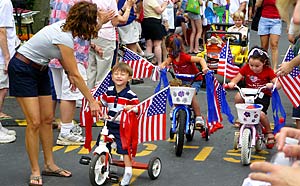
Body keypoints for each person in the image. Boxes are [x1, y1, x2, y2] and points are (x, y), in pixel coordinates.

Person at [7, 2, 112, 185]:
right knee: (34, 122)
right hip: (23, 68)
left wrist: (67, 72)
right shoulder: (64, 36)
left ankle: (49, 165)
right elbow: (76, 75)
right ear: (85, 21)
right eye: (94, 20)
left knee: (48, 119)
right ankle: (35, 170)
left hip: (40, 69)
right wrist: (92, 101)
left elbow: (62, 54)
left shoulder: (68, 30)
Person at [49, 0, 91, 146]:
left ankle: (63, 126)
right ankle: (66, 131)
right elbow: (84, 29)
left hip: (56, 53)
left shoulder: (58, 1)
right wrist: (102, 21)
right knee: (70, 94)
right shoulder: (78, 3)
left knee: (61, 93)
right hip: (74, 52)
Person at [227, 46, 280, 148]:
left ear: (263, 63)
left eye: (257, 66)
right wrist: (232, 83)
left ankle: (269, 132)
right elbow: (236, 78)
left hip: (262, 96)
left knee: (261, 115)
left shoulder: (268, 70)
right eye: (251, 65)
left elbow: (278, 84)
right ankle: (241, 115)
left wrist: (272, 85)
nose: (253, 68)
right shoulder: (246, 68)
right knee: (238, 96)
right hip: (248, 94)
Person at [97, 63, 139, 186]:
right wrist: (96, 104)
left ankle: (128, 171)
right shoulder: (109, 91)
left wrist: (131, 107)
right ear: (112, 76)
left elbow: (137, 108)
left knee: (124, 149)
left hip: (122, 127)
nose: (119, 76)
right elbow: (102, 103)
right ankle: (105, 165)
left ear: (129, 78)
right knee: (102, 142)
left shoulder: (130, 95)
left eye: (122, 74)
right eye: (116, 74)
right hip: (109, 123)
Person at [159, 34, 209, 129]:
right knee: (174, 90)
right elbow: (166, 63)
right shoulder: (172, 57)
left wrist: (205, 67)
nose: (169, 50)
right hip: (181, 80)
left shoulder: (185, 57)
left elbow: (200, 59)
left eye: (170, 48)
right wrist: (162, 66)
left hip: (194, 80)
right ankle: (175, 106)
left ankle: (198, 117)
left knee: (191, 95)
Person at [87, 0, 119, 89]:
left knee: (90, 70)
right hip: (106, 35)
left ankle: (88, 98)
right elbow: (115, 22)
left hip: (90, 34)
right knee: (103, 73)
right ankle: (99, 97)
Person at [0, 0, 17, 143]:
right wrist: (6, 57)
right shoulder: (5, 3)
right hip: (1, 55)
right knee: (1, 91)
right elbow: (1, 30)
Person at [256, 0, 281, 70]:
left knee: (274, 44)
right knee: (264, 46)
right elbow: (257, 5)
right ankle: (265, 65)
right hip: (264, 19)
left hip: (276, 20)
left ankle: (274, 68)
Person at [141, 0, 169, 65]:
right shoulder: (152, 1)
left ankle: (148, 63)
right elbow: (159, 11)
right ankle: (159, 63)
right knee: (157, 44)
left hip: (146, 22)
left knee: (148, 44)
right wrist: (165, 4)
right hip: (154, 22)